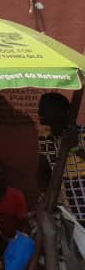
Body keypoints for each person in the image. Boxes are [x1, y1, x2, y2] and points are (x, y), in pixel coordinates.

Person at [38, 92, 85, 224]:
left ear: (60, 111)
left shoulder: (82, 134)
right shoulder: (45, 138)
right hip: (66, 212)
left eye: (44, 107)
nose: (39, 111)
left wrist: (76, 148)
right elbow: (43, 174)